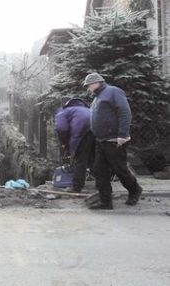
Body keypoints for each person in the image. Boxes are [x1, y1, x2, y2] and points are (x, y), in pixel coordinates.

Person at [83, 72, 143, 209]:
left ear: (95, 83)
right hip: (101, 140)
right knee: (99, 169)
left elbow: (124, 112)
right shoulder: (97, 97)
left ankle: (135, 190)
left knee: (120, 169)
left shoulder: (113, 92)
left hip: (114, 140)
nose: (88, 88)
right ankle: (106, 201)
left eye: (88, 85)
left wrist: (122, 134)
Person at [55, 98, 94, 193]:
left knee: (80, 160)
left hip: (81, 133)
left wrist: (64, 143)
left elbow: (61, 129)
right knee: (95, 159)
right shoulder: (89, 110)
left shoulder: (63, 112)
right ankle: (101, 185)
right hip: (98, 132)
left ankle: (76, 187)